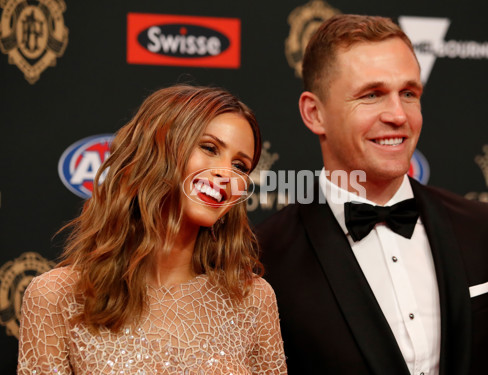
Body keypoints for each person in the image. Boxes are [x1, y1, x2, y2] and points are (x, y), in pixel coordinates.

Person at [256, 14, 488, 375]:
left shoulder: (485, 228)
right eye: (372, 95)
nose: (398, 115)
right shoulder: (263, 258)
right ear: (315, 114)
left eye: (409, 93)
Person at [18, 84, 287, 374]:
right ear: (156, 149)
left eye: (240, 166)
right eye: (209, 148)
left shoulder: (253, 300)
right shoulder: (56, 297)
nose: (226, 174)